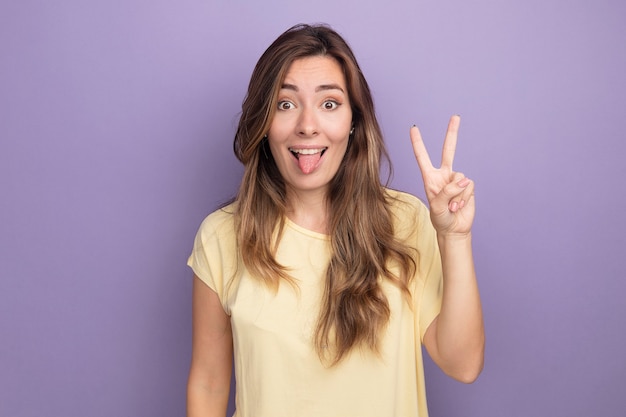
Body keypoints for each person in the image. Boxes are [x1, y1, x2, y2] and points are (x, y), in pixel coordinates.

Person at [186, 23, 484, 417]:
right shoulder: (222, 236)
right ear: (263, 122)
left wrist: (455, 238)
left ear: (353, 121)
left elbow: (462, 364)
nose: (307, 125)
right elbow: (208, 383)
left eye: (329, 104)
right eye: (285, 104)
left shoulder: (407, 223)